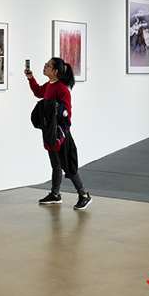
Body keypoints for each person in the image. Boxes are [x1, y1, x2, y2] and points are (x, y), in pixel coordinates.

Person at [25, 58, 92, 210]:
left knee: (68, 166)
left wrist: (54, 114)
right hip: (50, 131)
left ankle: (84, 195)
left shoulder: (62, 89)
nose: (44, 67)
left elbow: (66, 113)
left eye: (47, 66)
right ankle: (55, 194)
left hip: (61, 133)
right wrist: (31, 78)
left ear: (55, 71)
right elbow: (38, 92)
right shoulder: (49, 85)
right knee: (55, 164)